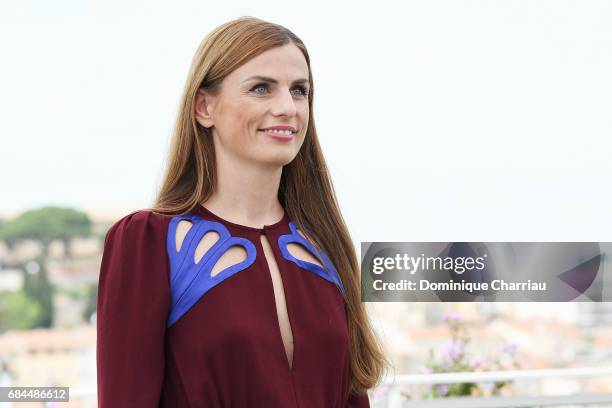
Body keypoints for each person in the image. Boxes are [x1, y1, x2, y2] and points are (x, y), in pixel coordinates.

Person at [96, 16, 389, 407]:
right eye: (261, 89)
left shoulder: (324, 242)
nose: (287, 107)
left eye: (299, 90)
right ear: (204, 107)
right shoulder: (148, 241)